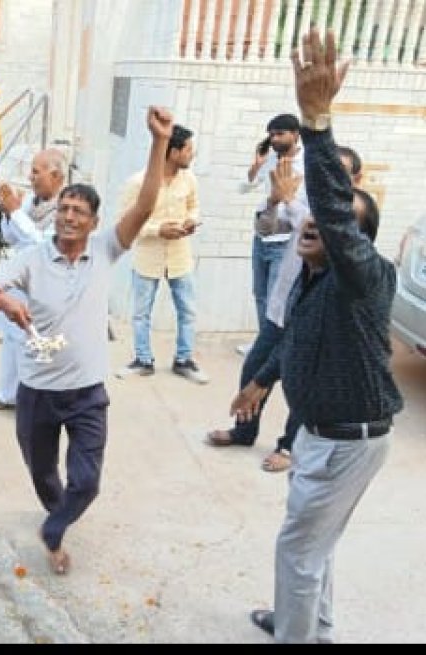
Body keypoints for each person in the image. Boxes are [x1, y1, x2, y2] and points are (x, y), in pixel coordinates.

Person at [232, 29, 404, 643]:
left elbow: (335, 210)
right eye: (312, 221)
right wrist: (258, 382)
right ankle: (311, 627)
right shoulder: (311, 277)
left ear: (356, 244)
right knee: (312, 546)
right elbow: (291, 340)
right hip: (320, 433)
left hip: (346, 441)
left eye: (334, 227)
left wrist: (317, 121)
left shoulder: (363, 278)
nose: (315, 226)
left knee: (297, 552)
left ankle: (296, 633)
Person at [0, 106, 173, 575]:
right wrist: (3, 302)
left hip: (86, 393)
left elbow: (143, 207)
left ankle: (54, 530)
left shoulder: (105, 250)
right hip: (37, 392)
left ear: (94, 221)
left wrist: (159, 143)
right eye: (63, 209)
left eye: (79, 211)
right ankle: (55, 514)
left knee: (87, 483)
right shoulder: (34, 257)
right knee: (43, 476)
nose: (68, 216)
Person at [206, 145, 365, 473]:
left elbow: (320, 227)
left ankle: (289, 446)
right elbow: (266, 230)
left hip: (316, 319)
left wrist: (287, 200)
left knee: (301, 384)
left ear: (356, 179)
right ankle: (244, 430)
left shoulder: (355, 215)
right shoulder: (303, 198)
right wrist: (273, 201)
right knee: (254, 369)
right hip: (281, 309)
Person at [115, 124, 208, 385]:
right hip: (148, 258)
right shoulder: (138, 183)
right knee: (141, 313)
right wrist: (159, 230)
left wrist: (191, 221)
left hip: (180, 257)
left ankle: (184, 360)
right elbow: (124, 222)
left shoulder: (189, 179)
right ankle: (143, 360)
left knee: (187, 311)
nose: (193, 154)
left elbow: (194, 207)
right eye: (188, 149)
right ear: (173, 152)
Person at [0, 149, 67, 411]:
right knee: (12, 339)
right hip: (21, 281)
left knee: (35, 343)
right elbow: (12, 238)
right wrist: (11, 213)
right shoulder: (32, 200)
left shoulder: (67, 207)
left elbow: (45, 244)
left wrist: (16, 213)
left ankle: (32, 400)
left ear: (55, 176)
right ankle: (9, 396)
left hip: (45, 285)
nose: (30, 177)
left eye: (35, 171)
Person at [243, 113, 304, 337]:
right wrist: (255, 167)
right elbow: (245, 186)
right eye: (271, 135)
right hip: (262, 237)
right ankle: (263, 343)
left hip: (286, 242)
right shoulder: (270, 160)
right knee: (259, 294)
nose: (274, 139)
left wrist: (285, 199)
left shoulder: (306, 164)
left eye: (280, 134)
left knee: (276, 298)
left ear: (295, 134)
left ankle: (274, 348)